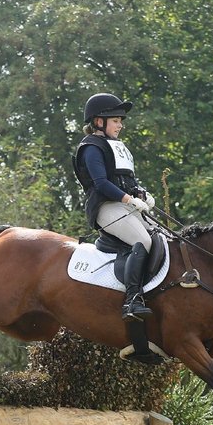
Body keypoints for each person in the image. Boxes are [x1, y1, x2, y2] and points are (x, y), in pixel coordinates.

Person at [72, 92, 157, 321]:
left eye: (121, 121)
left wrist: (143, 194)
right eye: (116, 120)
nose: (120, 125)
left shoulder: (118, 147)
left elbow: (128, 181)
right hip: (105, 207)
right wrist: (129, 200)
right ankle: (132, 300)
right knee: (144, 241)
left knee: (163, 238)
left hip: (126, 205)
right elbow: (101, 183)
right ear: (99, 122)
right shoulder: (91, 147)